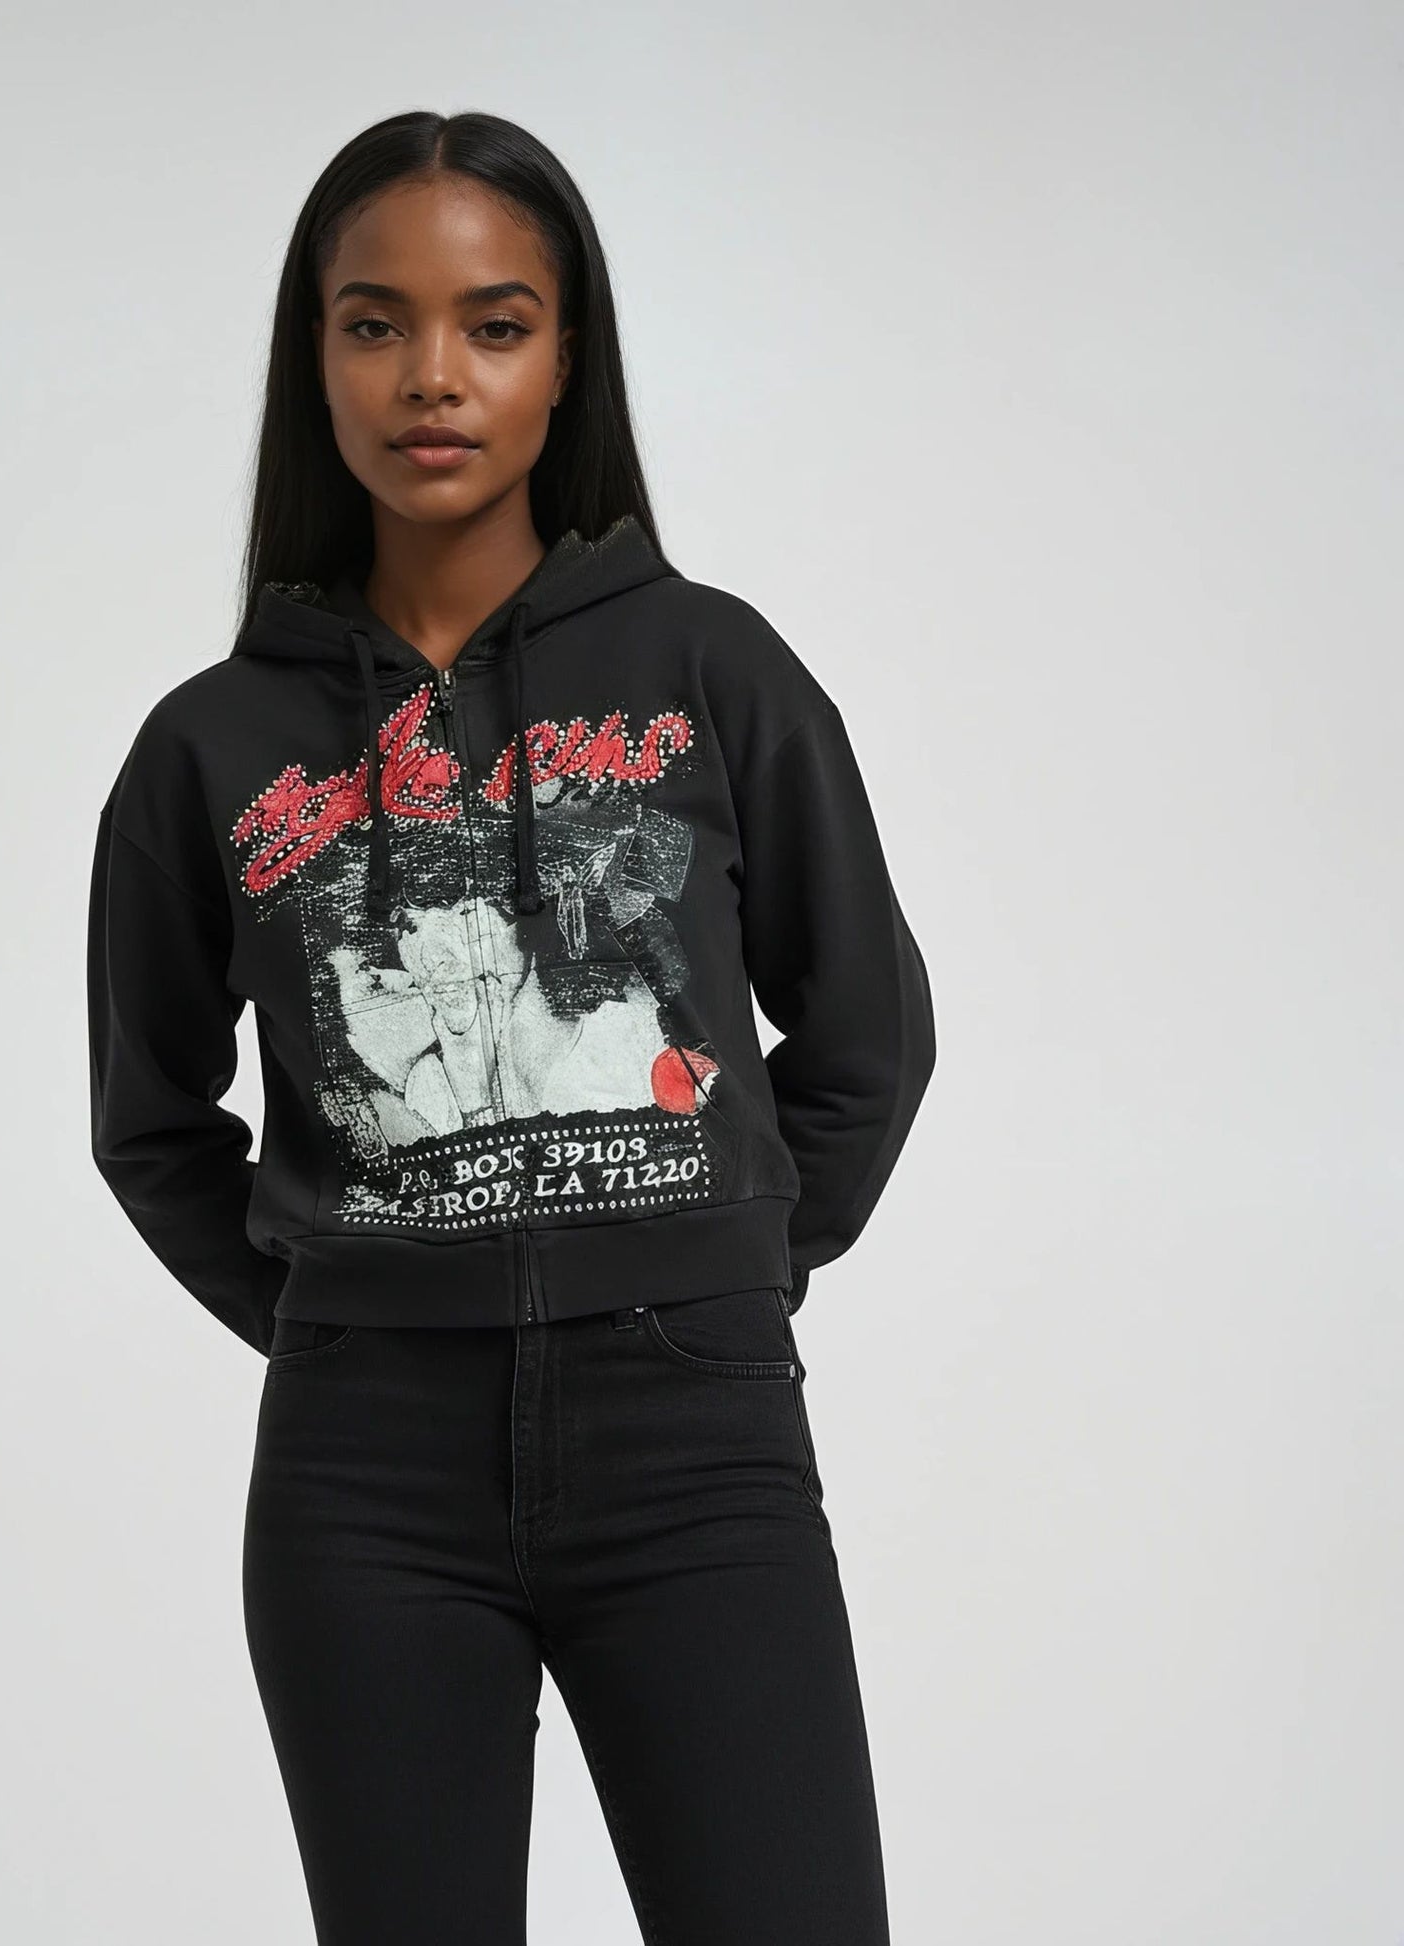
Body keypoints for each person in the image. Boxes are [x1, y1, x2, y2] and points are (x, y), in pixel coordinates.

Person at [87, 108, 936, 1946]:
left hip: (694, 1447)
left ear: (567, 359)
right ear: (314, 359)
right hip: (365, 1477)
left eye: (494, 322)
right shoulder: (211, 744)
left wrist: (712, 1266)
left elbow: (866, 1028)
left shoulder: (710, 666)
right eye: (372, 323)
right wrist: (338, 1306)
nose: (432, 376)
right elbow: (149, 1116)